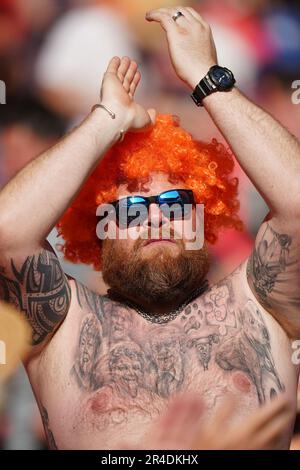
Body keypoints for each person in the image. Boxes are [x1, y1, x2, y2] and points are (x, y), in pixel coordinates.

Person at [0, 6, 299, 450]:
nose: (156, 216)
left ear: (205, 216)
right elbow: (7, 234)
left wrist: (208, 78)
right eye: (132, 206)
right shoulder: (65, 325)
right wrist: (107, 119)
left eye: (177, 202)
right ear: (99, 230)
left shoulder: (261, 303)